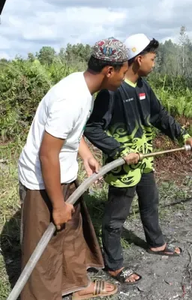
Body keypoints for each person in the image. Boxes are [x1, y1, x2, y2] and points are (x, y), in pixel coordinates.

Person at [18, 38, 131, 300]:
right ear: (109, 71)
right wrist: (57, 205)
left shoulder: (85, 88)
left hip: (63, 174)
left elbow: (72, 132)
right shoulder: (71, 98)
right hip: (42, 181)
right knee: (43, 249)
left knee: (69, 236)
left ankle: (76, 287)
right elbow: (47, 154)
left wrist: (86, 154)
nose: (123, 79)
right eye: (123, 73)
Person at [84, 33, 192, 284]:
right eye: (152, 58)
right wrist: (119, 151)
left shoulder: (144, 87)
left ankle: (156, 244)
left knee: (150, 201)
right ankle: (114, 265)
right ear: (138, 60)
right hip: (123, 165)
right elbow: (92, 128)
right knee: (116, 217)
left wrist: (184, 136)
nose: (154, 63)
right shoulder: (111, 90)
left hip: (145, 158)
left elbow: (160, 116)